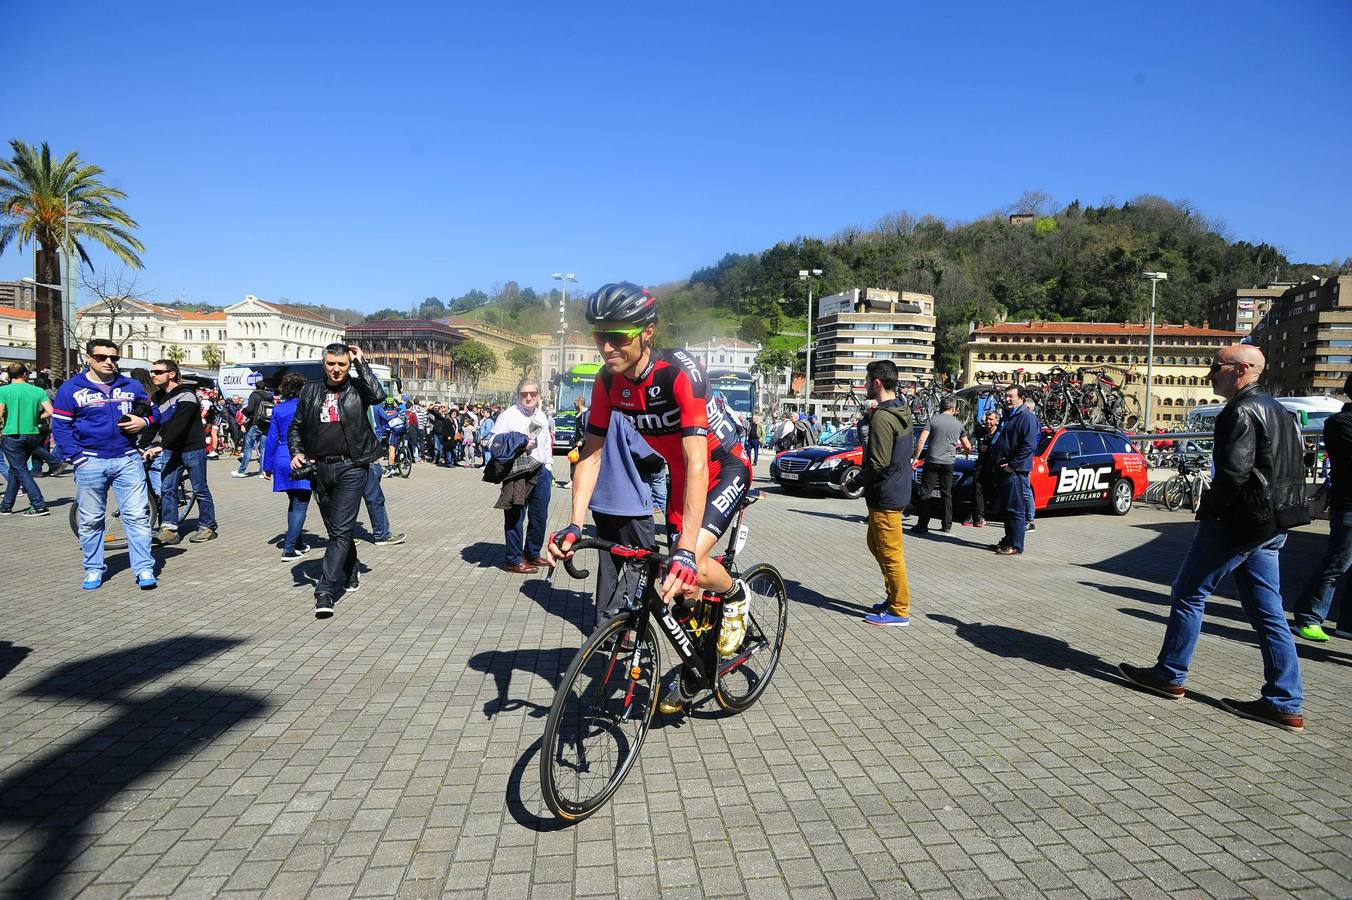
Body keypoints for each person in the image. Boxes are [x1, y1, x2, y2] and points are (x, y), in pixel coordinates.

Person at [548, 282, 752, 715]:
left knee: (689, 563)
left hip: (720, 467)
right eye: (599, 336)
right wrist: (574, 522)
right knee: (677, 587)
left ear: (647, 331)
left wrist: (684, 551)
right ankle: (701, 651)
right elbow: (592, 453)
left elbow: (696, 460)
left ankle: (735, 596)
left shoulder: (679, 372)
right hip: (681, 477)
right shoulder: (608, 381)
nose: (605, 347)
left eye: (617, 336)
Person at [1119, 344, 1311, 732]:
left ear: (1240, 370)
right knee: (1268, 613)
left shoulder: (1238, 411)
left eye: (1215, 367)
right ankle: (1284, 701)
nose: (1209, 375)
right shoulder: (1282, 411)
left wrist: (1209, 513)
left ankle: (1170, 674)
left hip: (1239, 524)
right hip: (1273, 524)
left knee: (1189, 592)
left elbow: (1233, 475)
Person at [51, 339, 159, 590]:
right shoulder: (71, 389)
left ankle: (143, 568)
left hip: (127, 459)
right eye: (101, 357)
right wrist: (77, 458)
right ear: (88, 358)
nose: (109, 362)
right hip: (90, 461)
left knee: (137, 517)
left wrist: (144, 423)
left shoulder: (131, 386)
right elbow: (61, 427)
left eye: (114, 358)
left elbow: (155, 414)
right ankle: (93, 569)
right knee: (90, 520)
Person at [288, 342, 385, 619]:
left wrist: (360, 362)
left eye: (342, 364)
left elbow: (378, 396)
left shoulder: (357, 388)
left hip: (352, 466)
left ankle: (325, 590)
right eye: (332, 363)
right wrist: (296, 452)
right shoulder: (309, 390)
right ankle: (350, 569)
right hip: (319, 468)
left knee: (341, 530)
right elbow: (296, 426)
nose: (337, 369)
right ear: (324, 363)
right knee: (336, 530)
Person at [1291, 374, 1352, 642]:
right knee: (1339, 562)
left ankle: (1347, 624)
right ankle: (1309, 616)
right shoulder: (1340, 423)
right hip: (1349, 505)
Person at [857, 360, 916, 626]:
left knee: (891, 554)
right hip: (895, 489)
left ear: (877, 383)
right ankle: (893, 596)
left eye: (868, 381)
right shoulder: (900, 408)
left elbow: (878, 462)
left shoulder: (883, 416)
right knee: (875, 544)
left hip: (886, 494)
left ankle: (899, 610)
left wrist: (855, 481)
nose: (865, 385)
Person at [144, 360, 219, 544]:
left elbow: (180, 423)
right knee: (167, 488)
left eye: (158, 371)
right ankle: (169, 530)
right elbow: (154, 423)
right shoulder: (158, 397)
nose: (153, 375)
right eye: (152, 371)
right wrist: (142, 444)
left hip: (192, 449)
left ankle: (208, 526)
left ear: (171, 374)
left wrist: (162, 445)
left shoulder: (186, 394)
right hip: (171, 450)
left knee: (199, 488)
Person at [491, 378, 554, 573]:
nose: (528, 397)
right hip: (518, 472)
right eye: (524, 394)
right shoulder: (508, 415)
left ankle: (532, 553)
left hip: (541, 471)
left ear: (538, 395)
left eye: (532, 394)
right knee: (515, 517)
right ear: (518, 395)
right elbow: (492, 442)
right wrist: (519, 444)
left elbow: (546, 444)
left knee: (539, 517)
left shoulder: (541, 416)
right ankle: (513, 559)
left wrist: (549, 467)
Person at [262, 373, 314, 560]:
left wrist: (267, 466)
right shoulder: (307, 408)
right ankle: (289, 548)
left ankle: (298, 542)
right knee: (300, 503)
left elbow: (271, 440)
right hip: (301, 457)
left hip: (281, 458)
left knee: (293, 501)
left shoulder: (278, 410)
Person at [0, 363, 54, 517]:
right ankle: (6, 506)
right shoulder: (37, 391)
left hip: (12, 434)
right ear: (24, 374)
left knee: (20, 469)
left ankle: (39, 505)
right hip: (32, 433)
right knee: (15, 469)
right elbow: (51, 411)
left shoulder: (3, 391)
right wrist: (37, 417)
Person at [989, 384, 1038, 556]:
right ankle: (1008, 540)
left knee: (1016, 510)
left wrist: (1012, 465)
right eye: (1006, 396)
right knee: (1007, 509)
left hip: (1015, 472)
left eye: (1011, 396)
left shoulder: (1026, 417)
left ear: (1021, 398)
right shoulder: (1009, 416)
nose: (1007, 399)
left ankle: (1016, 545)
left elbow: (1029, 446)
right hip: (1003, 469)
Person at [912, 396, 970, 534]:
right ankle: (946, 525)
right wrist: (966, 452)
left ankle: (922, 524)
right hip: (948, 463)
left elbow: (921, 439)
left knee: (926, 492)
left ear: (941, 407)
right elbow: (967, 444)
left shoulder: (933, 420)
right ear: (953, 408)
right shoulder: (958, 423)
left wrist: (916, 457)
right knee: (946, 493)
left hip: (932, 460)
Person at [963, 409, 1001, 528]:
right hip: (981, 465)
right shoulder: (980, 431)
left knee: (989, 492)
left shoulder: (1000, 433)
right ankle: (977, 515)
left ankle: (977, 514)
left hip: (995, 467)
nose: (988, 422)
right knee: (977, 488)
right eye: (987, 419)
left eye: (991, 419)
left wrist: (989, 449)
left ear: (997, 421)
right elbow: (972, 442)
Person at [235, 379, 273, 476]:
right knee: (263, 448)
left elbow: (250, 409)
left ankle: (241, 471)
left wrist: (244, 411)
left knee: (248, 446)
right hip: (267, 423)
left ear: (256, 386)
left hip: (256, 423)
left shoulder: (254, 395)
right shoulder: (269, 396)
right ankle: (262, 471)